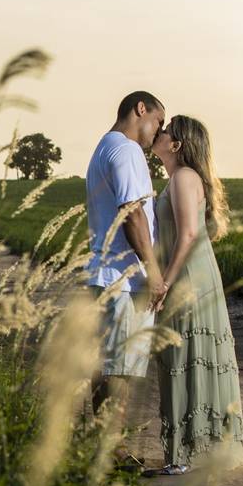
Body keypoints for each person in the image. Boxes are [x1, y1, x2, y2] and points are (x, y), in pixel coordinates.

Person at [146, 115, 243, 475]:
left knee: (182, 356)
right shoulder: (178, 179)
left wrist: (165, 283)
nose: (159, 132)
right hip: (192, 272)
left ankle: (181, 458)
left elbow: (188, 234)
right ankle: (188, 453)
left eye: (167, 129)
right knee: (185, 355)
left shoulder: (183, 177)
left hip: (188, 277)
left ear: (176, 145)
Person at [85, 91, 167, 465]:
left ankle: (105, 447)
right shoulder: (128, 150)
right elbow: (133, 213)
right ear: (140, 110)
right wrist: (153, 271)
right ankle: (112, 452)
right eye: (158, 122)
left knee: (108, 365)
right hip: (124, 276)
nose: (158, 132)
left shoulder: (105, 146)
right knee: (119, 368)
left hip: (105, 275)